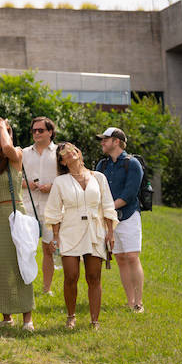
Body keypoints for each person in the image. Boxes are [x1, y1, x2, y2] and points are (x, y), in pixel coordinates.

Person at [46, 142, 117, 329]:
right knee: (71, 276)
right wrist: (55, 237)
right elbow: (54, 211)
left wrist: (110, 233)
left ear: (78, 152)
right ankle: (71, 317)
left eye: (72, 149)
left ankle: (95, 321)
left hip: (95, 230)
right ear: (62, 161)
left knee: (94, 276)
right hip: (69, 231)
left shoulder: (98, 177)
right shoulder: (60, 182)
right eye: (63, 152)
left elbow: (107, 206)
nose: (69, 152)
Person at [0, 117, 35, 330]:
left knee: (20, 263)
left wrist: (1, 124)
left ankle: (27, 319)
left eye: (0, 134)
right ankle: (6, 316)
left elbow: (7, 148)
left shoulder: (15, 155)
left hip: (14, 215)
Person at [94, 127, 145, 312]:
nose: (102, 143)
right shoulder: (102, 165)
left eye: (105, 139)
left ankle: (138, 303)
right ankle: (130, 302)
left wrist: (106, 208)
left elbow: (129, 195)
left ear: (116, 141)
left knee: (131, 257)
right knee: (121, 259)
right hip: (110, 220)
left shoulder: (133, 164)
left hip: (129, 216)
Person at [22, 116, 59, 295]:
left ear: (50, 132)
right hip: (28, 207)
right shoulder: (23, 153)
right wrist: (25, 183)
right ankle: (24, 287)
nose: (36, 133)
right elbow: (14, 176)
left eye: (41, 130)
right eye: (34, 130)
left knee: (49, 249)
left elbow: (68, 177)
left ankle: (47, 288)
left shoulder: (59, 152)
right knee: (25, 249)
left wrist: (53, 186)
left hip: (51, 208)